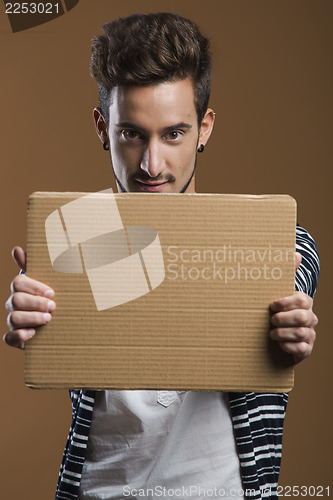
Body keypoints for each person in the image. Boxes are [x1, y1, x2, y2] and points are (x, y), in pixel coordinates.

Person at [4, 12, 319, 500]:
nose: (152, 165)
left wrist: (290, 330)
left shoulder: (276, 243)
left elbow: (293, 297)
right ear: (102, 127)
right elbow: (45, 341)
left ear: (204, 129)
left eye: (173, 134)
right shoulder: (70, 241)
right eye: (132, 133)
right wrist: (33, 315)